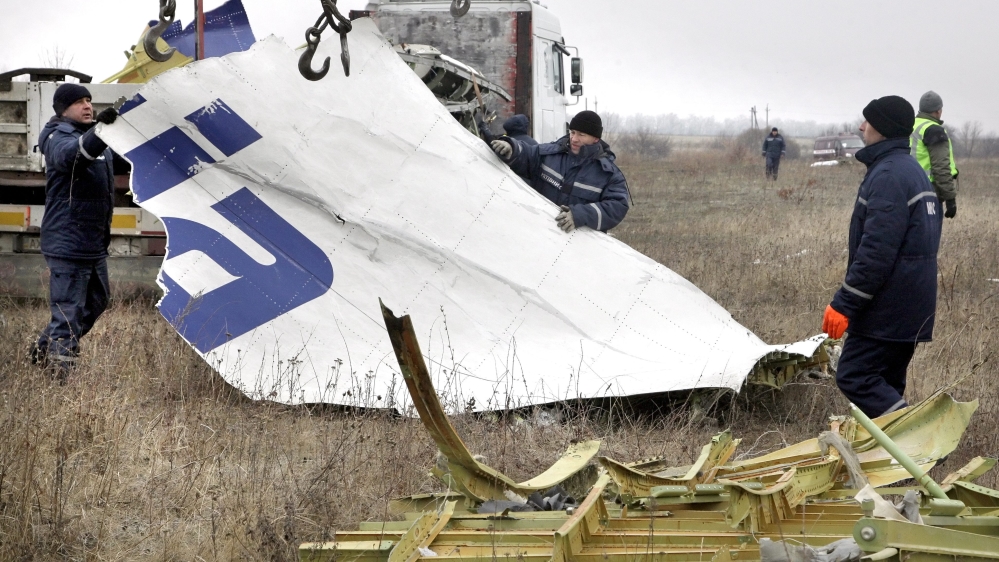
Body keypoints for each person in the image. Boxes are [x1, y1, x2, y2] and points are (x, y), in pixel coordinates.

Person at [821, 95, 941, 418]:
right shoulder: (913, 171)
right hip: (912, 305)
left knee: (855, 374)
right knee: (886, 383)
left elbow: (877, 252)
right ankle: (896, 450)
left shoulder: (888, 176)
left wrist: (844, 304)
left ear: (883, 128)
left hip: (888, 309)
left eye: (868, 121)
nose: (862, 127)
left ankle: (916, 436)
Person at [29, 83, 119, 380]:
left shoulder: (93, 138)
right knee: (68, 313)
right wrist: (99, 132)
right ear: (63, 109)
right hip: (68, 242)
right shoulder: (56, 137)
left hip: (92, 243)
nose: (88, 106)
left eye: (89, 100)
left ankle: (41, 352)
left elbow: (128, 156)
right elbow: (72, 157)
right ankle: (59, 377)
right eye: (80, 101)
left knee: (96, 302)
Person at [489, 110, 629, 233]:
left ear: (596, 139)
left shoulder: (609, 174)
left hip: (574, 246)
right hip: (535, 232)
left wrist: (579, 215)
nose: (574, 139)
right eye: (572, 132)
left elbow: (617, 206)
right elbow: (528, 153)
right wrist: (511, 147)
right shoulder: (549, 154)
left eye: (581, 135)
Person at [910, 91, 958, 220]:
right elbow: (941, 166)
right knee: (929, 231)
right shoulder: (934, 130)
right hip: (928, 191)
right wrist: (950, 198)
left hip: (908, 187)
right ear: (938, 111)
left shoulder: (910, 126)